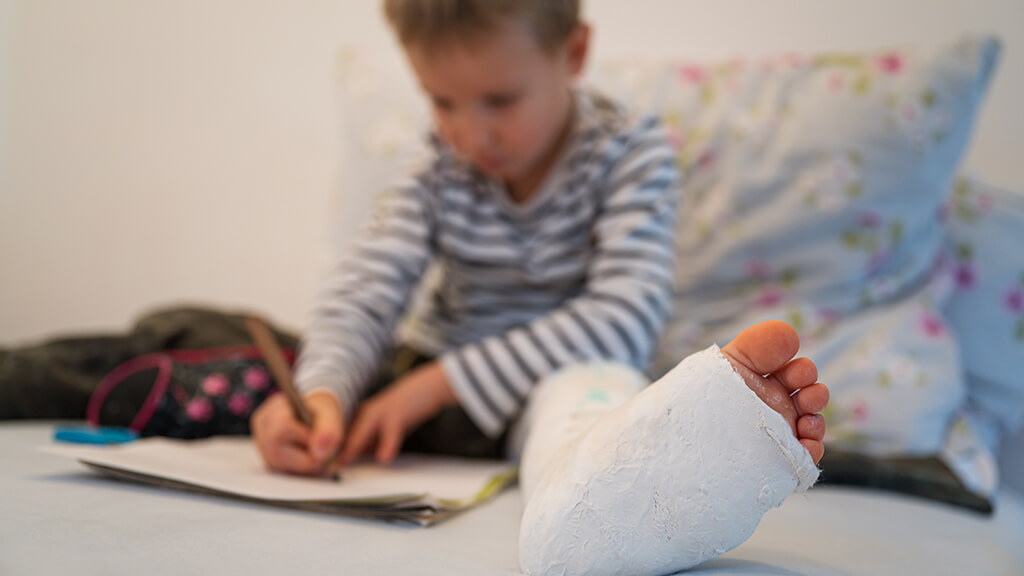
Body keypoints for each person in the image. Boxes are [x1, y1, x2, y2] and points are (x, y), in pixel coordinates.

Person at [251, 1, 828, 573]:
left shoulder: (627, 152)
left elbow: (622, 319)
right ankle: (293, 412)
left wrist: (439, 384)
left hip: (560, 381)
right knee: (215, 338)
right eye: (441, 101)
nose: (469, 133)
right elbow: (364, 289)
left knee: (585, 404)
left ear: (572, 53)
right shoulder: (436, 164)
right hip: (429, 388)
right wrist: (319, 397)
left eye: (500, 101)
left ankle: (606, 507)